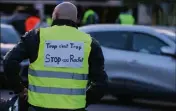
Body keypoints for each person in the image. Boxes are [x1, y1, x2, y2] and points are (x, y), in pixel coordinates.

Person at [4, 2, 108, 111]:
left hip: (38, 107)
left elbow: (9, 62)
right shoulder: (90, 43)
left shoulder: (36, 37)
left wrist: (20, 89)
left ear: (55, 15)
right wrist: (83, 101)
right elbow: (100, 84)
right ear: (76, 19)